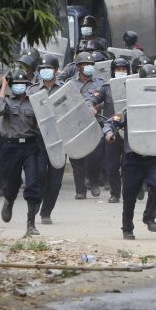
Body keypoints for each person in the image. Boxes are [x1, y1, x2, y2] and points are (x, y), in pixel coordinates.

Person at [103, 64, 156, 239]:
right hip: (133, 158)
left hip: (154, 157)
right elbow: (110, 123)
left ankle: (149, 216)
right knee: (129, 195)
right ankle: (127, 228)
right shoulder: (130, 110)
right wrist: (109, 134)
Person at [0, 66, 45, 236]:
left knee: (32, 183)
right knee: (12, 183)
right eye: (16, 84)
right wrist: (3, 86)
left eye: (22, 84)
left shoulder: (34, 101)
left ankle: (30, 224)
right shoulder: (7, 101)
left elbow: (45, 121)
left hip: (30, 146)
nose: (19, 86)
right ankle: (9, 200)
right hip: (11, 147)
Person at [30, 52, 65, 224]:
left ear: (56, 70)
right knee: (38, 175)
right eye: (42, 69)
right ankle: (36, 201)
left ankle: (46, 212)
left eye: (48, 68)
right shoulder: (33, 90)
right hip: (39, 140)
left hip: (59, 139)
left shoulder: (65, 89)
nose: (45, 72)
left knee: (55, 181)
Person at [68, 51, 106, 199]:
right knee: (77, 159)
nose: (89, 67)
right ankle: (80, 190)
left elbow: (105, 99)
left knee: (95, 157)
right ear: (78, 67)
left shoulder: (100, 83)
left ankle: (94, 182)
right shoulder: (70, 84)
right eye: (86, 64)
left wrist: (96, 107)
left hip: (94, 124)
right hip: (76, 125)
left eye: (91, 64)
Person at [99, 56, 132, 203]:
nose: (121, 72)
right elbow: (92, 99)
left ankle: (128, 193)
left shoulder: (134, 86)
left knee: (128, 165)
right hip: (111, 132)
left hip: (128, 132)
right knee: (111, 166)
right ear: (113, 72)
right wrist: (90, 106)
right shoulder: (106, 87)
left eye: (123, 70)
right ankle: (115, 193)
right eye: (118, 70)